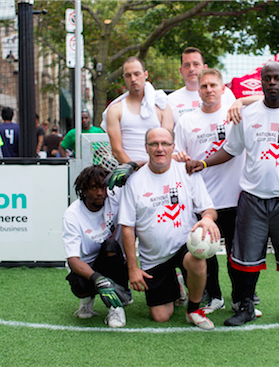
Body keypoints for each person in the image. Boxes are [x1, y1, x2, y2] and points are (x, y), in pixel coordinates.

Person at [186, 61, 279, 327]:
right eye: (268, 78)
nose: (273, 83)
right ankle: (246, 306)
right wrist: (203, 163)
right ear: (261, 82)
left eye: (278, 78)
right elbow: (232, 150)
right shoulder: (246, 115)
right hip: (252, 198)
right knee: (246, 257)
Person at [118, 127, 220, 330]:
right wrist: (133, 268)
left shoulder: (187, 171)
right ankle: (177, 285)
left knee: (198, 257)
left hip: (184, 245)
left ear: (173, 147)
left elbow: (209, 209)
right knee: (161, 316)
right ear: (146, 148)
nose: (160, 148)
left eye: (165, 143)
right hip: (154, 257)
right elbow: (127, 228)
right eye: (154, 144)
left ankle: (193, 310)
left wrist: (208, 218)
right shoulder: (134, 182)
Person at [172, 68, 246, 315]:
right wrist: (178, 156)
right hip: (202, 203)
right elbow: (177, 157)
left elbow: (270, 101)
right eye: (204, 86)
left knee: (237, 254)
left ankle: (240, 298)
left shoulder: (235, 113)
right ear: (198, 90)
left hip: (235, 197)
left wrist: (241, 100)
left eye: (214, 85)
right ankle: (214, 297)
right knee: (205, 252)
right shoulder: (186, 121)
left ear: (223, 89)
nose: (209, 90)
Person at [63, 165, 132, 328]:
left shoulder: (114, 198)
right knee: (79, 283)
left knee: (111, 246)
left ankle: (116, 308)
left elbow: (150, 165)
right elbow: (73, 260)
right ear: (84, 190)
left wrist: (131, 166)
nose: (100, 192)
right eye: (94, 188)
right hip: (85, 267)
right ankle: (87, 299)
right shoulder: (72, 215)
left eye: (103, 187)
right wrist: (98, 280)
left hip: (110, 260)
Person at [105, 57, 173, 166]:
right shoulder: (115, 110)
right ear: (124, 78)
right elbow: (117, 150)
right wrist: (135, 171)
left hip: (159, 170)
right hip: (129, 172)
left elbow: (166, 145)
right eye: (128, 75)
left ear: (146, 74)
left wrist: (152, 171)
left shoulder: (162, 106)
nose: (133, 79)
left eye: (137, 74)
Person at [168, 47, 236, 125]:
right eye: (186, 65)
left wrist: (241, 101)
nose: (191, 69)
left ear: (205, 68)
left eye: (196, 64)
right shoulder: (171, 100)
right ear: (181, 71)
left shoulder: (225, 93)